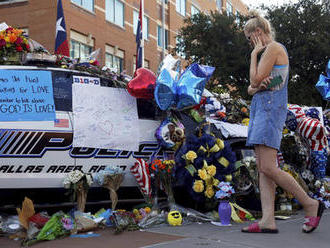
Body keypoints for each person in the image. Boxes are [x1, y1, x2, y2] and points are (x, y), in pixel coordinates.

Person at [242, 10, 325, 234]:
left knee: (268, 166)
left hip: (269, 111)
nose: (250, 43)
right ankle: (268, 220)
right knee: (263, 168)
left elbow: (254, 80)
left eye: (249, 38)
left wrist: (254, 59)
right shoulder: (268, 52)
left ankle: (310, 203)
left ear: (258, 32)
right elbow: (252, 88)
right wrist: (257, 84)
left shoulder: (273, 48)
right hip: (262, 109)